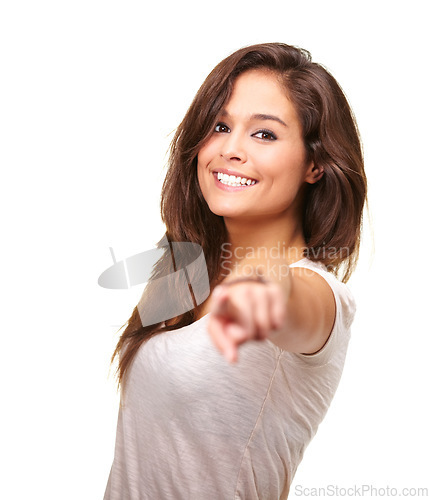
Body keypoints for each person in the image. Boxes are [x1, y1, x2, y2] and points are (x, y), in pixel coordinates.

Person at [104, 42, 367, 499]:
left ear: (314, 164)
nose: (230, 149)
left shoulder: (320, 295)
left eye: (264, 134)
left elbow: (296, 308)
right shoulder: (182, 267)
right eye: (220, 126)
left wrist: (271, 290)